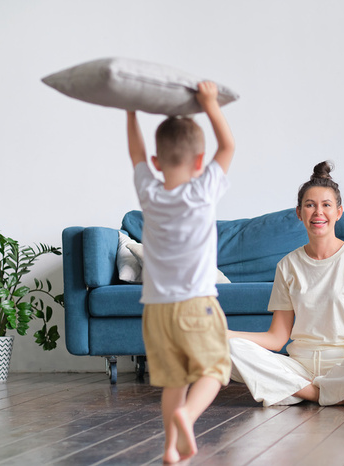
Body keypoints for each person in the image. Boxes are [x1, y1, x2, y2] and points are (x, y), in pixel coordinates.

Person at [228, 161, 344, 407]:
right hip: (300, 367)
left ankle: (303, 391)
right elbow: (277, 338)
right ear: (299, 213)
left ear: (339, 212)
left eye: (326, 205)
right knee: (231, 349)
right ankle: (322, 394)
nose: (318, 212)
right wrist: (227, 335)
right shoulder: (287, 266)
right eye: (310, 205)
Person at [126, 81, 235, 463]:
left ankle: (171, 449)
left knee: (173, 380)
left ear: (157, 163)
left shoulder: (149, 195)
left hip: (155, 310)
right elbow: (229, 147)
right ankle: (188, 416)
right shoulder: (203, 190)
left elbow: (136, 154)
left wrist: (130, 111)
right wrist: (209, 104)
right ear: (199, 161)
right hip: (196, 304)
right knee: (216, 369)